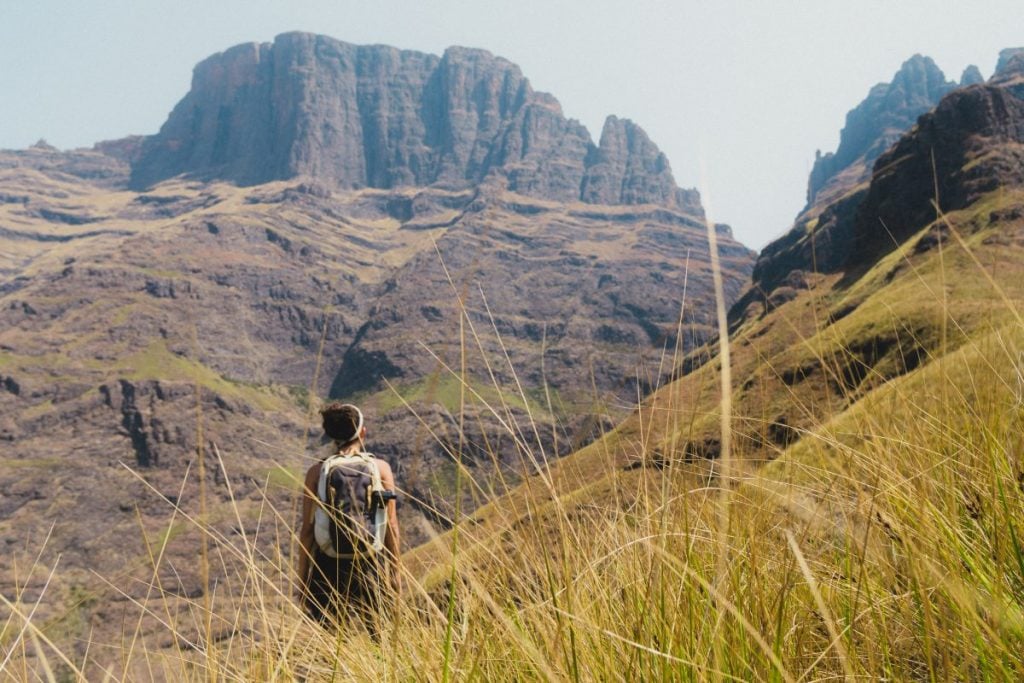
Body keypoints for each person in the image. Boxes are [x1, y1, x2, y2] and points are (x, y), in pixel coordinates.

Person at [297, 402, 401, 630]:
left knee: (329, 640)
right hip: (371, 564)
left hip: (328, 565)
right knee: (380, 637)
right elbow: (391, 525)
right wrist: (395, 573)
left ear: (329, 434)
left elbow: (306, 531)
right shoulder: (381, 468)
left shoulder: (316, 472)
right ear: (362, 432)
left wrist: (303, 582)